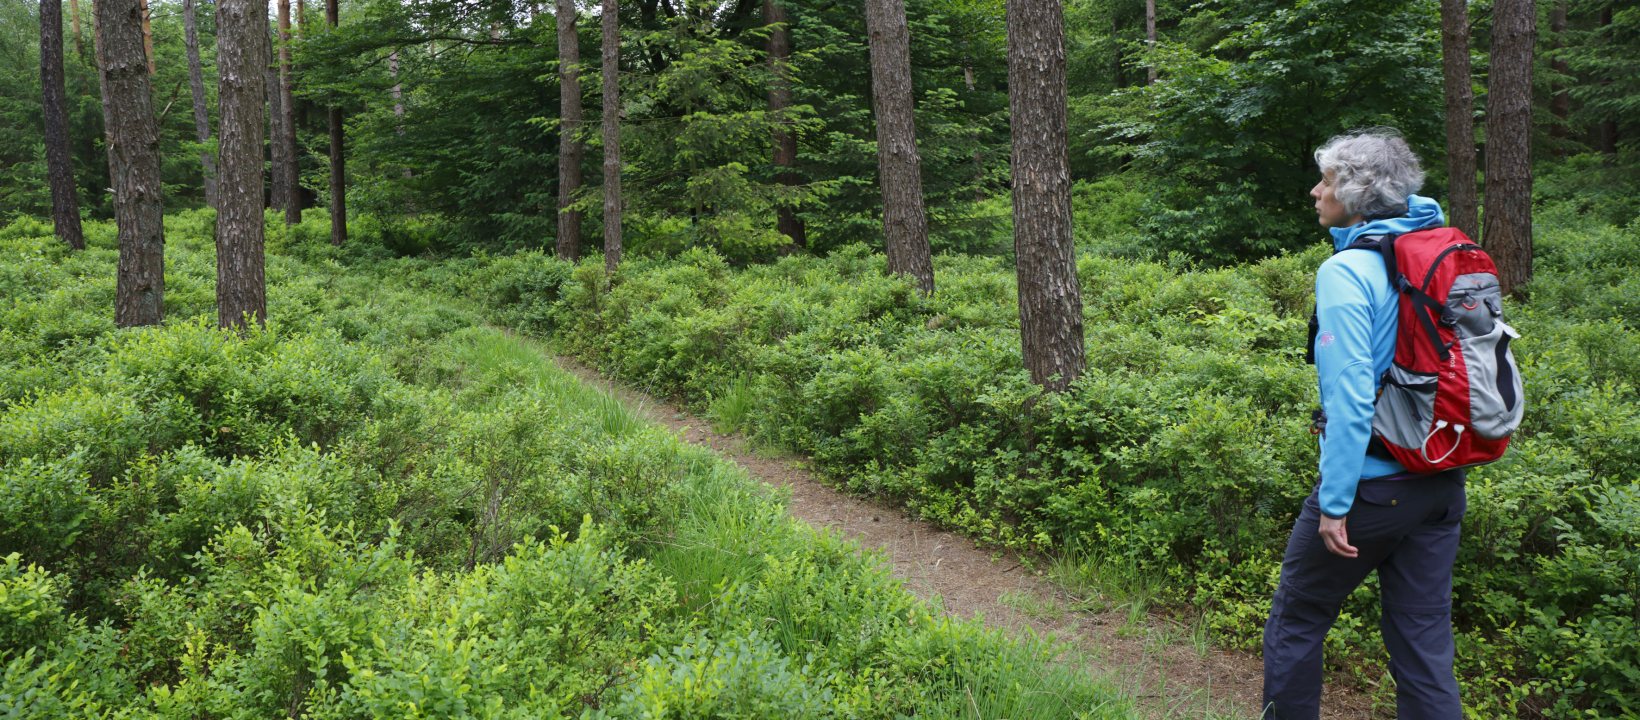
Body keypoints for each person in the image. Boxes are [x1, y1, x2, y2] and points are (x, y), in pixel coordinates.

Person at [1262, 129, 1467, 719]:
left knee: (1297, 620)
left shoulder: (1347, 270)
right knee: (1424, 638)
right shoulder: (1437, 251)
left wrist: (1336, 500)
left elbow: (1350, 396)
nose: (1314, 192)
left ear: (1354, 195)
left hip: (1372, 487)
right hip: (1440, 479)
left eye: (1325, 181)